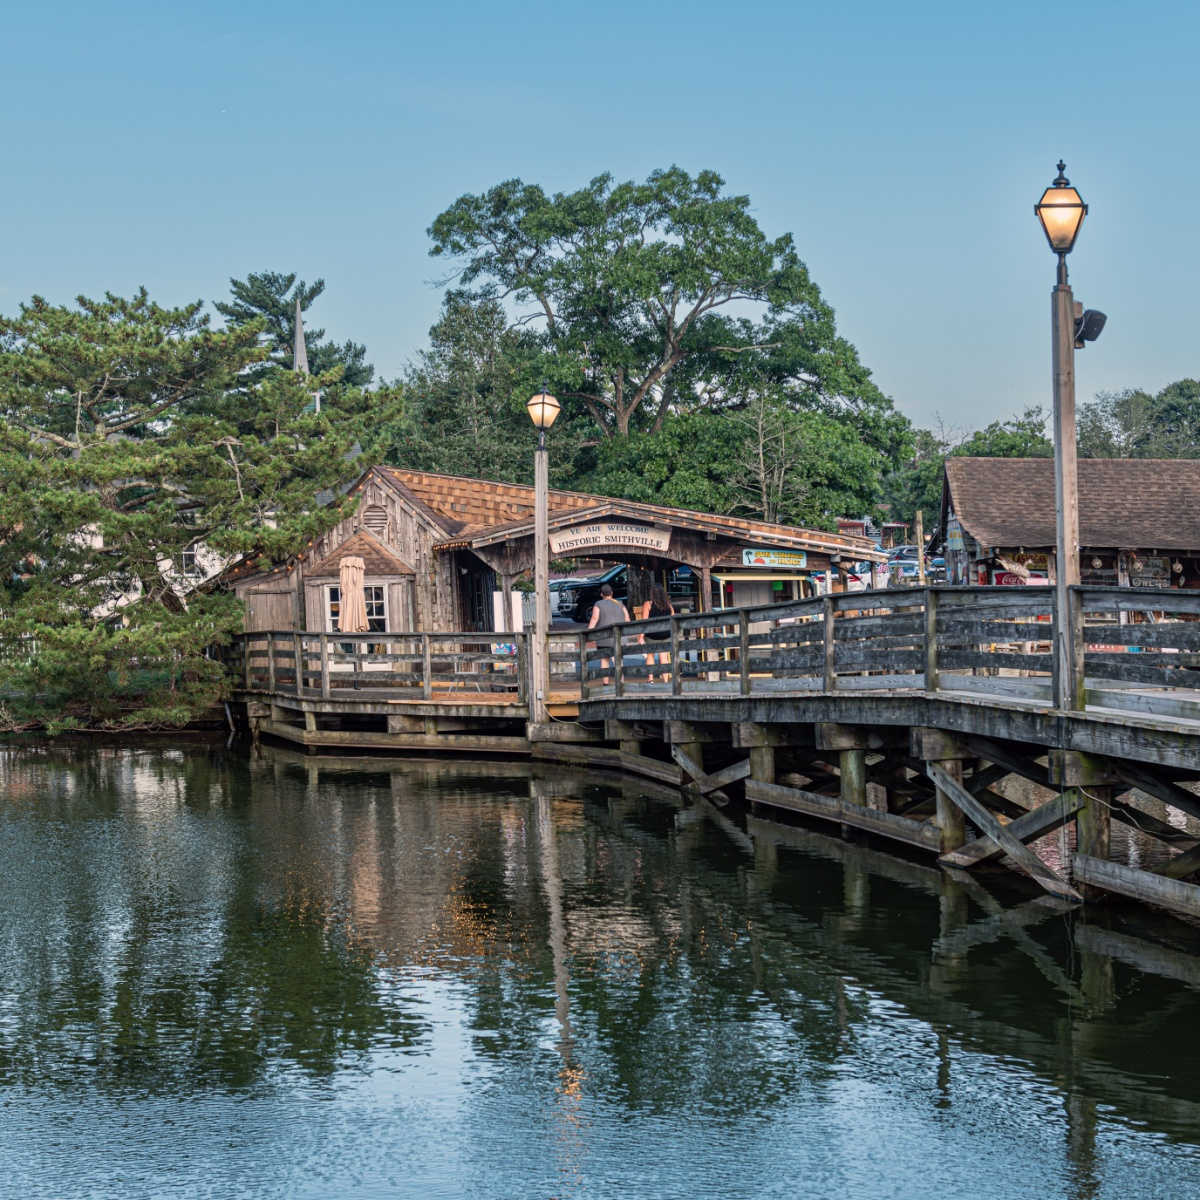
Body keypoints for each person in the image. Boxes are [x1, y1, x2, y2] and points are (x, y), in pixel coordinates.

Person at [587, 583, 630, 685]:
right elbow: (627, 619)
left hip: (604, 638)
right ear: (612, 593)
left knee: (605, 660)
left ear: (602, 594)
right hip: (620, 637)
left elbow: (594, 619)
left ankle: (605, 683)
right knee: (618, 660)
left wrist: (588, 633)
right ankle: (620, 681)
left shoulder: (598, 604)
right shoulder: (620, 604)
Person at [636, 583, 674, 683]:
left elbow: (644, 622)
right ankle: (666, 680)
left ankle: (651, 679)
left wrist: (640, 636)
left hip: (652, 635)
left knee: (650, 655)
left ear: (652, 593)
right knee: (664, 657)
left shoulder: (648, 604)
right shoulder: (669, 605)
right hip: (665, 634)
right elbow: (673, 619)